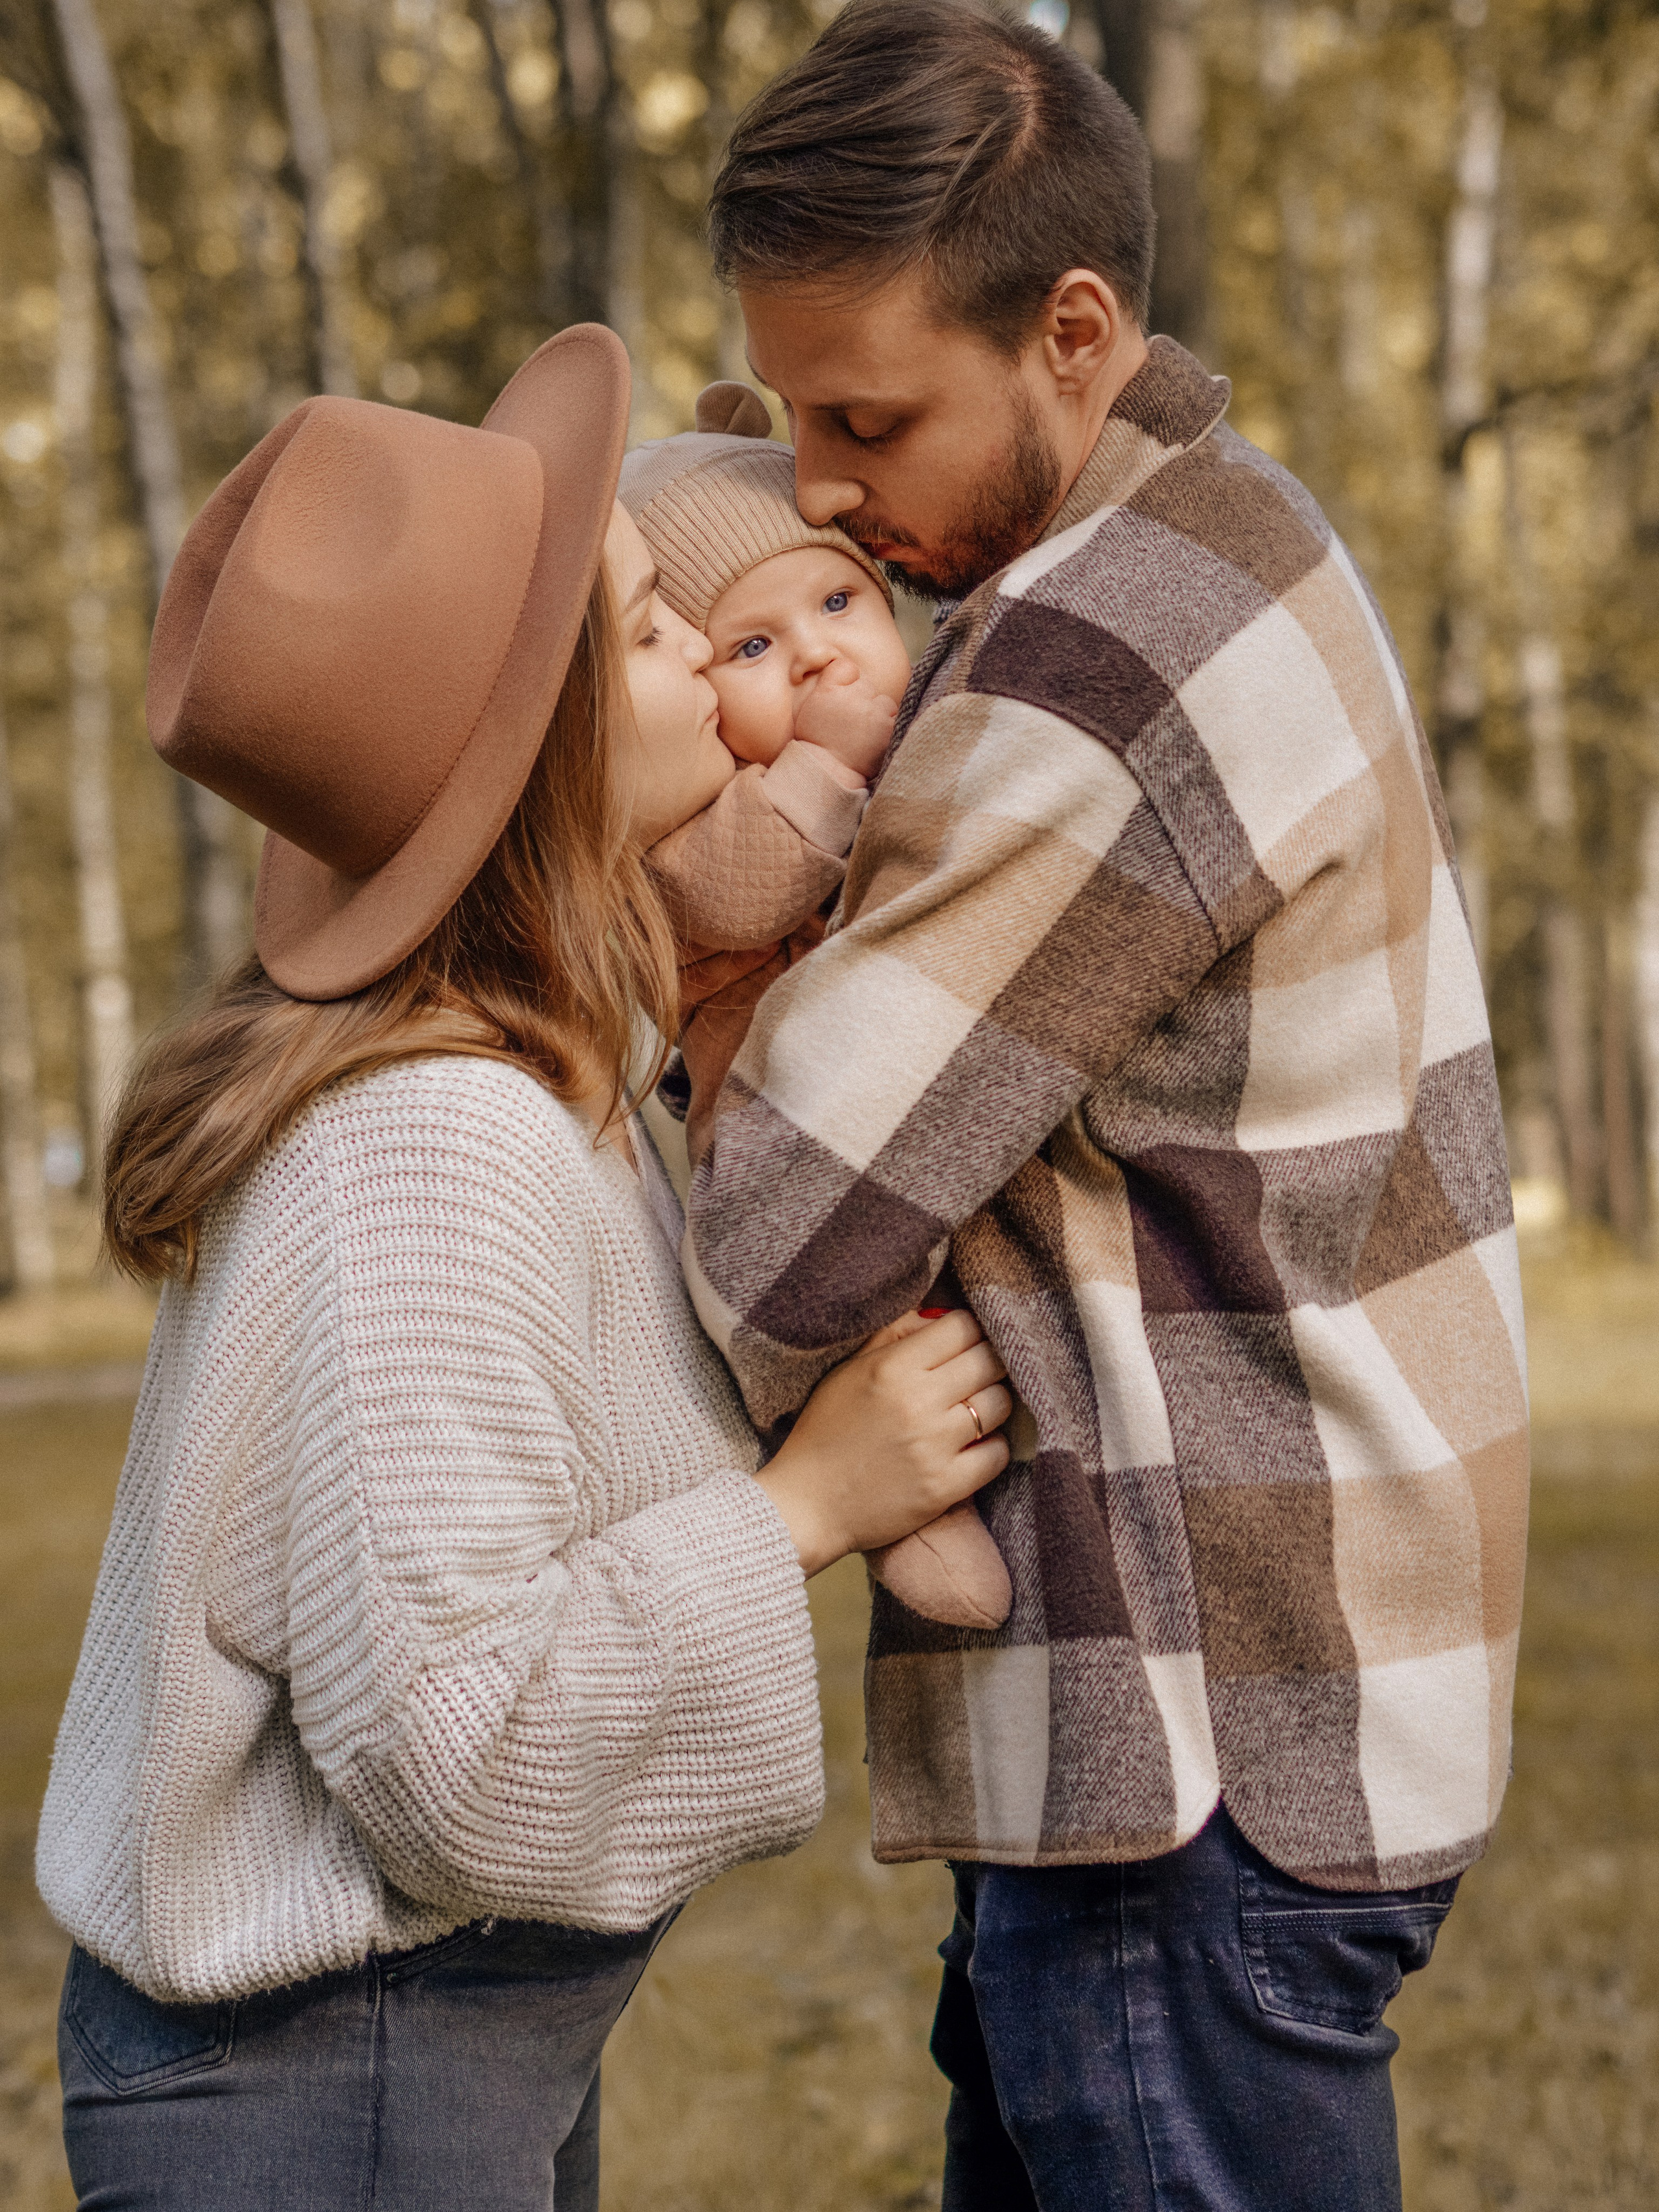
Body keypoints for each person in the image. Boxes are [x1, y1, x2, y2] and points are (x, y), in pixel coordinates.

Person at [683, 6, 1531, 2210]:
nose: (827, 489)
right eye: (789, 418)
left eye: (868, 415)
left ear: (1072, 331)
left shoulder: (1105, 658)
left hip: (1196, 1729)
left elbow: (775, 1225)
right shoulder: (1234, 535)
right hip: (1258, 1692)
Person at [35, 323, 1012, 2212]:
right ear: (544, 747)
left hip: (419, 2038)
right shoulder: (436, 1148)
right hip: (342, 2067)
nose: (722, 674)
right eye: (658, 632)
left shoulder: (541, 1078)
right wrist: (805, 1506)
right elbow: (453, 1748)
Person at [620, 377, 1010, 1632]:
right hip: (773, 1128)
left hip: (910, 1095)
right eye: (750, 649)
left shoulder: (955, 723)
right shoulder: (708, 821)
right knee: (854, 1311)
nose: (818, 654)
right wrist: (824, 763)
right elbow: (737, 895)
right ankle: (903, 1509)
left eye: (837, 601)